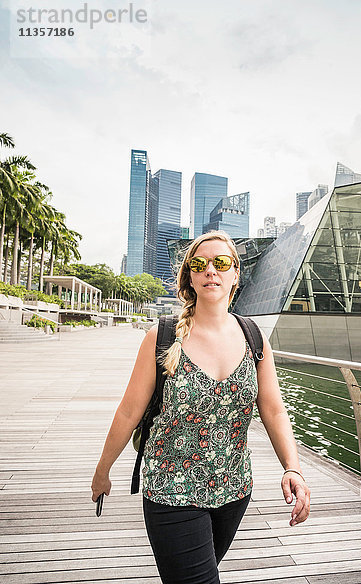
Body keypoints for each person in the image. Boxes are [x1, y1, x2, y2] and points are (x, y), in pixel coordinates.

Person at [91, 230, 310, 584]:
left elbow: (273, 410)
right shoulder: (161, 337)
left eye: (221, 262)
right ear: (190, 277)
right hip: (172, 490)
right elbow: (129, 413)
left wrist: (293, 468)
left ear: (235, 273)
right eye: (200, 263)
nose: (211, 270)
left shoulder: (255, 338)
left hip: (234, 490)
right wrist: (103, 471)